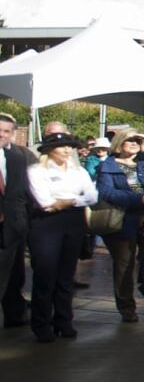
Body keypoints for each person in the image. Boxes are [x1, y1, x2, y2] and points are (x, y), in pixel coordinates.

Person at [25, 131, 97, 342]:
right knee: (45, 276)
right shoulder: (36, 171)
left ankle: (64, 321)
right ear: (49, 150)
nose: (67, 150)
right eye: (62, 146)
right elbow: (45, 202)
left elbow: (92, 196)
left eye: (70, 146)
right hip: (45, 226)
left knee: (66, 276)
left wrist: (68, 201)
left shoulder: (79, 171)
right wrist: (75, 198)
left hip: (73, 222)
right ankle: (41, 324)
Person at [95, 129, 144, 322]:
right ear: (119, 143)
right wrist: (139, 199)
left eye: (137, 140)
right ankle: (127, 308)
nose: (134, 143)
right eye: (129, 140)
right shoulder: (107, 166)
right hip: (124, 220)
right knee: (125, 265)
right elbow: (107, 193)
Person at [0, 112, 33, 329]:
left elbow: (27, 191)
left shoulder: (20, 158)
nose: (1, 135)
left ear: (13, 134)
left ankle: (15, 315)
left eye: (5, 131)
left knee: (13, 273)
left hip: (12, 226)